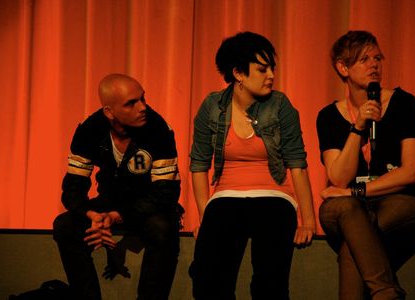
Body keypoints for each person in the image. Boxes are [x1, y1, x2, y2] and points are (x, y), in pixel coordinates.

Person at [189, 31, 316, 300]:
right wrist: (205, 214)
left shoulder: (281, 106)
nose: (270, 75)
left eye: (272, 68)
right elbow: (199, 164)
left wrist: (308, 220)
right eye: (262, 69)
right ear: (238, 73)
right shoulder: (212, 106)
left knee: (270, 280)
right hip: (226, 197)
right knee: (207, 277)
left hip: (273, 195)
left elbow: (297, 164)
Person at [316, 30, 415, 300]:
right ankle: (387, 293)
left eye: (377, 58)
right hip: (350, 207)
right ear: (342, 67)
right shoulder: (328, 116)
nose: (374, 65)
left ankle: (385, 293)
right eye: (364, 60)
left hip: (401, 199)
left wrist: (354, 192)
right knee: (349, 213)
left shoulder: (404, 103)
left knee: (354, 243)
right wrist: (357, 127)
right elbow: (338, 178)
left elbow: (411, 172)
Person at [53, 73, 183, 300]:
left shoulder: (159, 130)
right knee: (64, 225)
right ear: (109, 112)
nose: (142, 107)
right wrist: (92, 215)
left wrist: (117, 216)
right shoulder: (89, 130)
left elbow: (166, 194)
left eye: (142, 98)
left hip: (150, 205)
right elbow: (72, 190)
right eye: (131, 103)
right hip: (109, 201)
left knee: (162, 228)